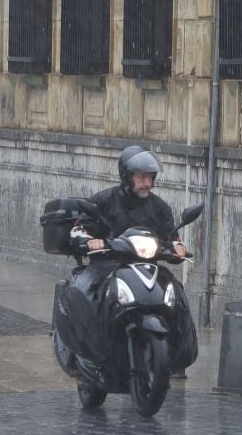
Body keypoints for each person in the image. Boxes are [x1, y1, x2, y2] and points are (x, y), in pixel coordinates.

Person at [58, 145, 196, 377]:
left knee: (175, 291)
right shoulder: (103, 201)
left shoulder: (159, 207)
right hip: (108, 265)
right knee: (89, 292)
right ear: (126, 177)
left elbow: (171, 236)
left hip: (146, 266)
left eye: (150, 178)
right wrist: (90, 240)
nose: (147, 183)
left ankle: (176, 355)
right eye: (141, 177)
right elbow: (79, 229)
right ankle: (82, 353)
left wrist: (177, 247)